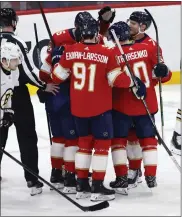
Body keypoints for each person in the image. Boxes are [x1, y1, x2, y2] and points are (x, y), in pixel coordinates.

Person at [51, 17, 141, 202]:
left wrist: (59, 58)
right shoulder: (106, 52)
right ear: (96, 32)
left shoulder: (70, 51)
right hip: (100, 109)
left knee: (83, 144)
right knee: (101, 146)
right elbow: (117, 80)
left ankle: (82, 186)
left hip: (78, 109)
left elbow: (57, 76)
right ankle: (97, 187)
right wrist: (132, 79)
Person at [39, 7, 115, 192]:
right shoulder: (63, 40)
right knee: (73, 139)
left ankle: (60, 174)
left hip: (62, 93)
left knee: (60, 138)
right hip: (72, 96)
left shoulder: (64, 45)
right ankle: (71, 177)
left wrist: (46, 86)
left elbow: (45, 73)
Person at [107, 21, 171, 194]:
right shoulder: (148, 48)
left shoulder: (112, 53)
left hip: (122, 106)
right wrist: (164, 71)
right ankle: (151, 175)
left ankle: (122, 177)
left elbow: (112, 80)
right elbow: (163, 76)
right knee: (148, 139)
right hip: (146, 104)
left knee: (119, 140)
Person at [0, 8, 59, 196]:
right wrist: (43, 86)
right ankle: (32, 180)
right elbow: (26, 71)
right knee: (26, 137)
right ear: (13, 22)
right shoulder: (15, 42)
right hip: (17, 97)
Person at [123, 11, 173, 188]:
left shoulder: (152, 46)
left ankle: (151, 174)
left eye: (134, 23)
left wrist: (163, 71)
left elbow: (164, 75)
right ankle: (134, 170)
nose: (129, 25)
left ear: (142, 27)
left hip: (145, 102)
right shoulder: (120, 43)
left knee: (147, 138)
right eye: (130, 21)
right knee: (130, 138)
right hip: (125, 101)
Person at [0, 42, 22, 181]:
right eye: (13, 59)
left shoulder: (15, 72)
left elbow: (8, 93)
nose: (17, 62)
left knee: (2, 143)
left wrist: (8, 111)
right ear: (3, 60)